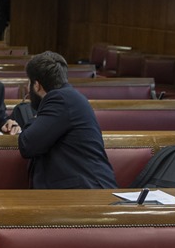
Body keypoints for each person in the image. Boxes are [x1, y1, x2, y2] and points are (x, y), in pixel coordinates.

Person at [18, 51, 117, 189]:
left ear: (37, 85)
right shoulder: (69, 97)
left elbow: (27, 145)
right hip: (83, 189)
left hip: (88, 192)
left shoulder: (59, 100)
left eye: (29, 82)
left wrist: (32, 120)